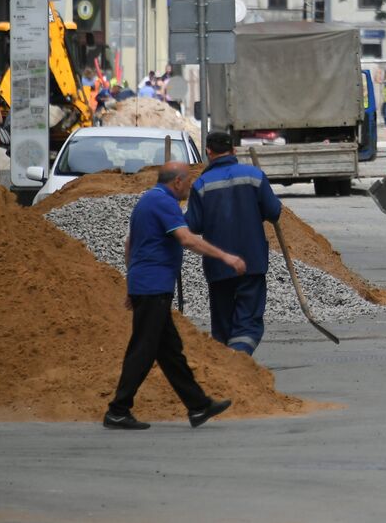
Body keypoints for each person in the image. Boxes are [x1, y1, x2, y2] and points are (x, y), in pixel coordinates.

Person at [105, 161, 245, 430]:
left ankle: (198, 406)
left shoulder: (148, 200)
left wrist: (133, 282)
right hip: (154, 287)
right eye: (189, 181)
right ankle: (118, 410)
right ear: (178, 181)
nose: (190, 187)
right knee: (143, 350)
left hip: (148, 285)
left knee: (170, 352)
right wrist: (226, 256)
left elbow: (129, 244)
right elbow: (187, 239)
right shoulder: (164, 203)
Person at [185, 132, 284, 355]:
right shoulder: (254, 176)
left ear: (208, 152)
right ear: (234, 150)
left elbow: (193, 225)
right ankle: (238, 358)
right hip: (252, 261)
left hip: (218, 266)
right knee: (248, 321)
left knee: (223, 326)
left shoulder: (201, 184)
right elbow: (274, 212)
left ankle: (229, 366)